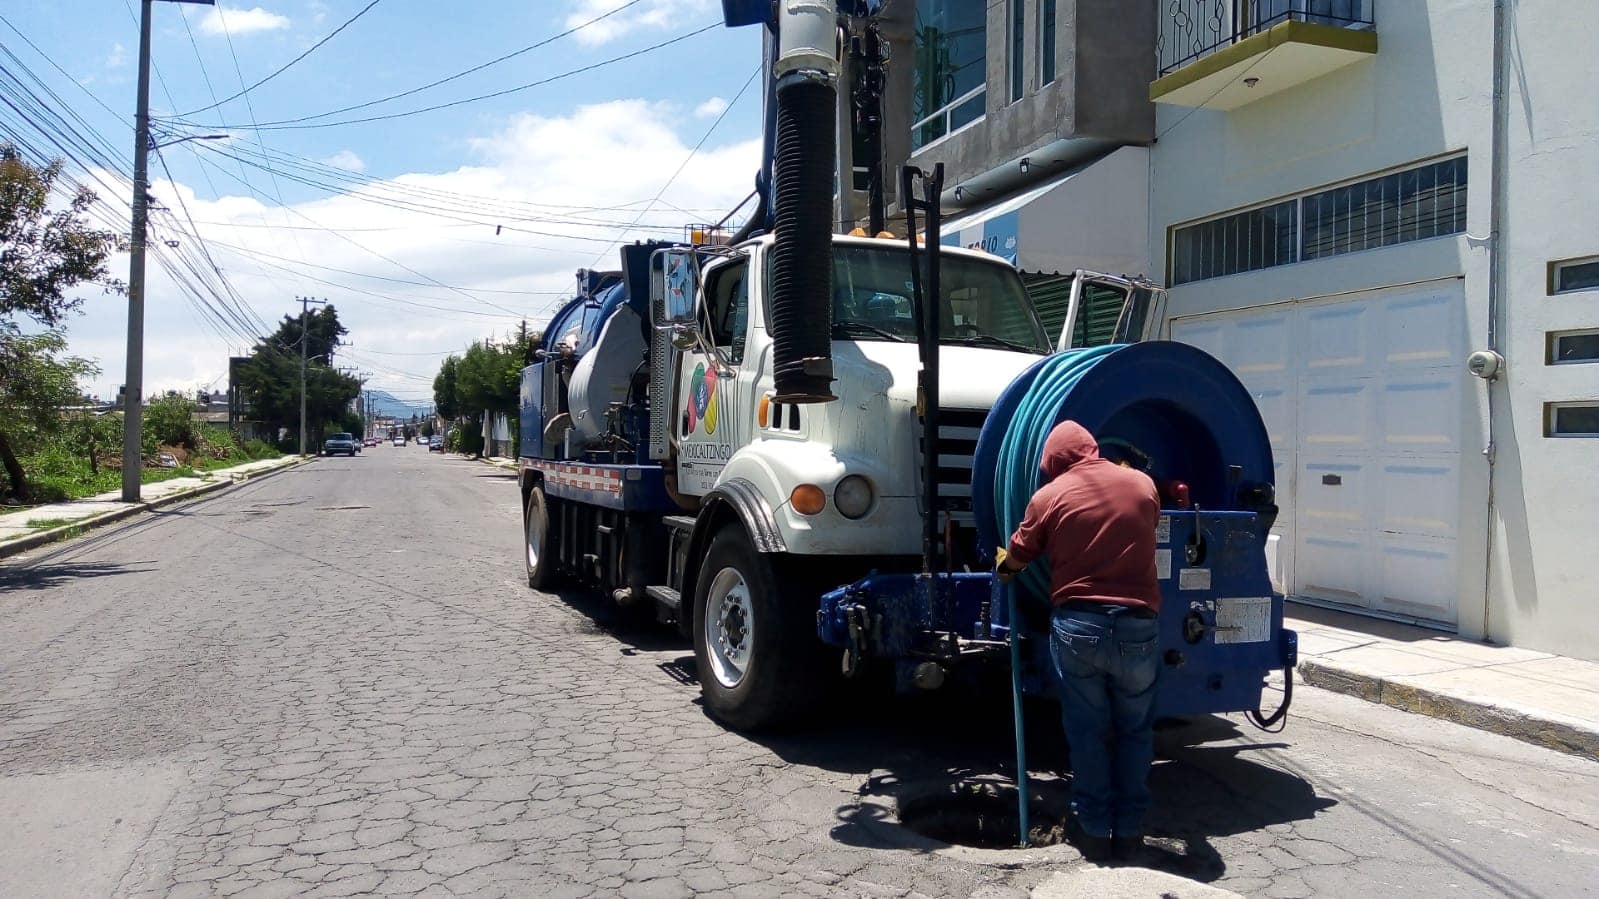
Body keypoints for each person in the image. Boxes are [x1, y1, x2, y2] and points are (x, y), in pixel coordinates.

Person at [996, 421, 1161, 862]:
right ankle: (1129, 831)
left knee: (1088, 733)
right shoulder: (1143, 485)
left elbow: (1019, 554)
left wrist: (1005, 567)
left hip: (1079, 628)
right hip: (1137, 628)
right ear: (1092, 449)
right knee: (1134, 731)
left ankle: (1090, 829)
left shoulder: (1048, 497)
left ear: (1052, 463)